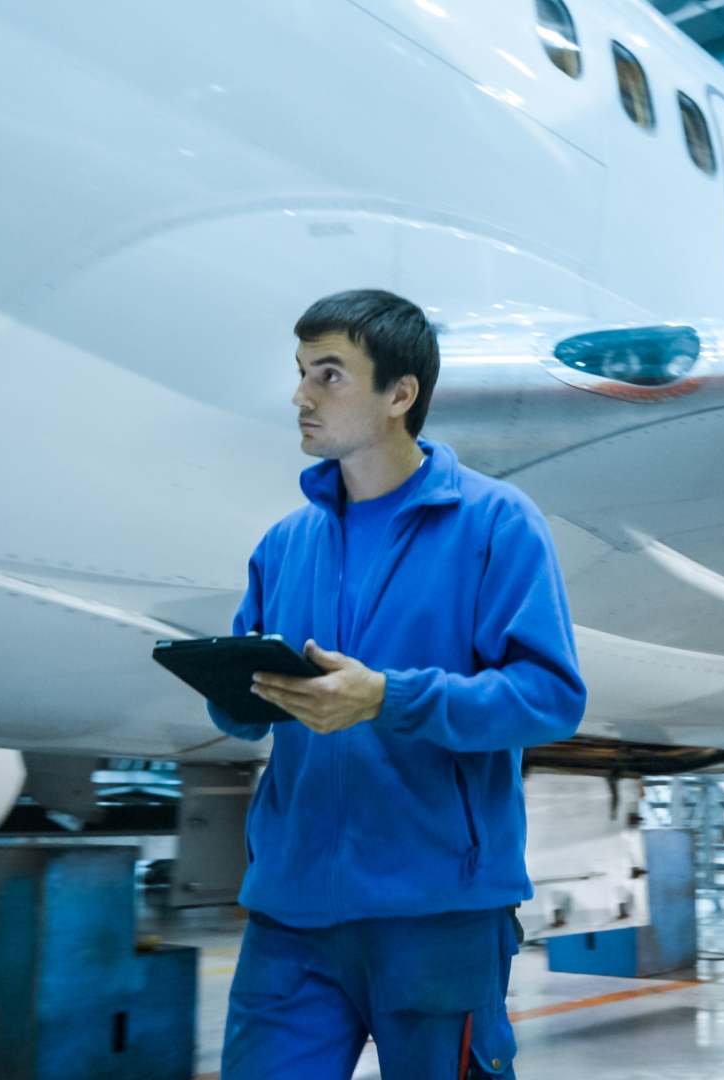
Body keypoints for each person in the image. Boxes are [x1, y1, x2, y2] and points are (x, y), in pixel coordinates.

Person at [208, 289, 586, 1080]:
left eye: (330, 374)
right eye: (303, 372)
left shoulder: (495, 524)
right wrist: (233, 690)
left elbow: (550, 697)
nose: (301, 394)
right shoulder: (286, 544)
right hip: (291, 912)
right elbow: (243, 711)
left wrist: (389, 698)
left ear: (400, 395)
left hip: (437, 913)